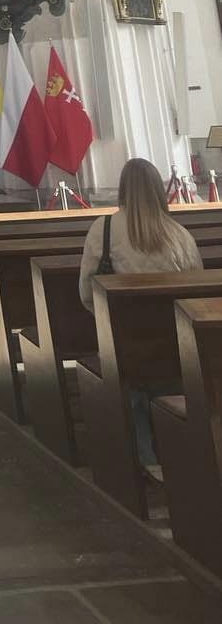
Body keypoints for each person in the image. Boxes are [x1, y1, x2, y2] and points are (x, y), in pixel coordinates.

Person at [79, 157, 203, 478]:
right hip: (177, 345)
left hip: (125, 344)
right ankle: (186, 452)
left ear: (122, 190)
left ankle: (146, 458)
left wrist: (108, 324)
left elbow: (86, 292)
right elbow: (197, 294)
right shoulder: (180, 236)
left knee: (131, 376)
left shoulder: (104, 230)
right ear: (159, 190)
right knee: (164, 371)